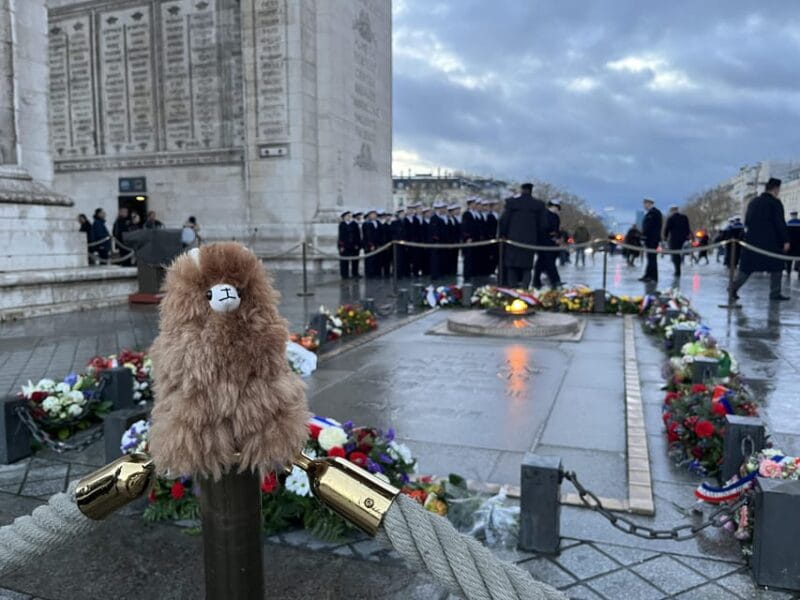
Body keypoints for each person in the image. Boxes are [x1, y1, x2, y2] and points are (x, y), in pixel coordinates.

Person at [731, 178, 789, 301]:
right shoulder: (775, 203)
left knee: (746, 268)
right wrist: (785, 240)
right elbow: (780, 223)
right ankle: (775, 293)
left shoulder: (754, 202)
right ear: (775, 189)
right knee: (777, 267)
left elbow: (747, 221)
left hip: (752, 242)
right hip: (771, 242)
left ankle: (733, 287)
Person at [499, 183, 546, 288]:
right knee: (527, 267)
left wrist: (503, 234)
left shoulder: (512, 203)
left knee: (512, 266)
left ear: (521, 190)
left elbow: (504, 221)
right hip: (530, 241)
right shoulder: (538, 205)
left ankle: (512, 288)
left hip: (512, 239)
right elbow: (542, 225)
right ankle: (524, 289)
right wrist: (539, 239)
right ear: (531, 191)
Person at [533, 200, 563, 288]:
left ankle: (537, 281)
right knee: (548, 262)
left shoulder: (550, 215)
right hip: (546, 242)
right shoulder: (547, 215)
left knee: (541, 262)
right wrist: (554, 235)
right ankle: (555, 280)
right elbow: (547, 229)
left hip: (546, 242)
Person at [663, 205, 691, 277]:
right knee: (681, 253)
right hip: (683, 238)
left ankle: (677, 270)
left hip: (674, 239)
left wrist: (665, 238)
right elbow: (687, 228)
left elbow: (667, 229)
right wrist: (687, 237)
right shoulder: (684, 217)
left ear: (672, 211)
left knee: (675, 255)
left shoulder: (671, 218)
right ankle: (678, 268)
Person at [639, 198, 663, 282]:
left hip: (652, 239)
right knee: (650, 258)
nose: (644, 206)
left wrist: (644, 236)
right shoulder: (652, 213)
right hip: (651, 238)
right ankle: (648, 275)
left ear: (649, 204)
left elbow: (649, 227)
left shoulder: (654, 213)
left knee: (652, 258)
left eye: (645, 204)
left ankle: (652, 276)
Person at [461, 198, 480, 280]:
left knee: (474, 257)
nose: (475, 205)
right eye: (473, 203)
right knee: (468, 258)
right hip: (469, 239)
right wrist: (467, 237)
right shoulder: (466, 214)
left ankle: (473, 273)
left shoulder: (476, 214)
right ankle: (467, 275)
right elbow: (465, 227)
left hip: (476, 239)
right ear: (469, 205)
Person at [338, 211, 358, 279]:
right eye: (347, 216)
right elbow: (341, 236)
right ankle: (344, 274)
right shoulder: (342, 224)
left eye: (350, 216)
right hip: (345, 245)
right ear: (344, 217)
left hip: (353, 245)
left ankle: (355, 273)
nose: (349, 217)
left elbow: (357, 235)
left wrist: (357, 244)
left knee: (355, 260)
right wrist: (341, 246)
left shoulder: (354, 224)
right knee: (344, 261)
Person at [361, 209, 381, 279]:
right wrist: (371, 244)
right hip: (369, 245)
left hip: (377, 244)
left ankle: (377, 273)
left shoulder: (378, 223)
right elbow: (367, 235)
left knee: (377, 259)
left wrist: (379, 244)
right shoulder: (366, 224)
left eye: (375, 214)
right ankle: (369, 274)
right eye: (372, 214)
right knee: (369, 260)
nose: (374, 216)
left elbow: (380, 234)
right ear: (369, 216)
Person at [391, 209, 408, 278]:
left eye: (403, 213)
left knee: (404, 259)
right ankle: (398, 274)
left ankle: (404, 272)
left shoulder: (406, 222)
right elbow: (393, 233)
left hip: (406, 243)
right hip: (397, 243)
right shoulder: (394, 223)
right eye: (401, 214)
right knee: (398, 259)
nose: (403, 215)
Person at [349, 212, 363, 278]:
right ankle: (354, 273)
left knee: (356, 260)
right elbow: (353, 236)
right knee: (354, 260)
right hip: (354, 245)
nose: (360, 217)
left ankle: (356, 272)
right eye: (359, 216)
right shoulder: (353, 224)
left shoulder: (357, 223)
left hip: (358, 244)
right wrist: (355, 244)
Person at [379, 211, 393, 278]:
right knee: (385, 260)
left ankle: (392, 271)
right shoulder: (383, 225)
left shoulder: (392, 224)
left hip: (393, 245)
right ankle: (386, 273)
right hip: (385, 245)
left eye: (389, 216)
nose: (388, 218)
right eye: (387, 216)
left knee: (392, 259)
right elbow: (382, 236)